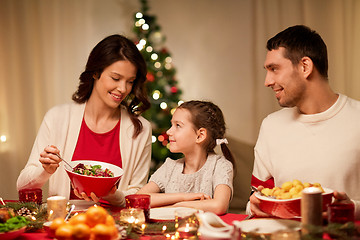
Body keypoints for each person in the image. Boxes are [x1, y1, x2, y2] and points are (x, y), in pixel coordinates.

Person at [17, 34, 152, 206]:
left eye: (130, 81)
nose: (123, 89)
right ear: (96, 72)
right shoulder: (57, 118)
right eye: (116, 78)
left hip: (115, 227)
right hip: (64, 225)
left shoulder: (140, 129)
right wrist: (45, 171)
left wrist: (111, 194)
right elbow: (22, 186)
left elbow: (136, 195)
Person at [247, 25, 360, 219]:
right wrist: (254, 206)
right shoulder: (271, 126)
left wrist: (351, 209)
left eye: (274, 69)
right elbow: (257, 198)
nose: (267, 81)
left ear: (305, 66)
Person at [137, 100, 235, 215]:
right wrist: (184, 197)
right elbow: (138, 199)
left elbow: (219, 205)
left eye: (178, 125)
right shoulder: (170, 167)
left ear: (200, 135)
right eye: (171, 124)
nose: (169, 131)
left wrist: (177, 206)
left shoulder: (220, 166)